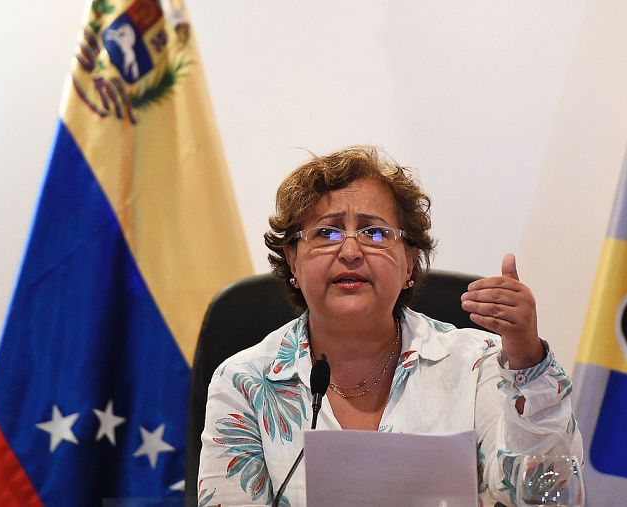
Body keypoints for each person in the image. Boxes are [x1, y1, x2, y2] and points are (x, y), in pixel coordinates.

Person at [197, 146, 582, 505]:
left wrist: (526, 356)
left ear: (409, 263)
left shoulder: (479, 365)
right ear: (293, 262)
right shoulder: (244, 382)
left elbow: (547, 495)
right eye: (327, 233)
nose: (350, 252)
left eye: (375, 232)